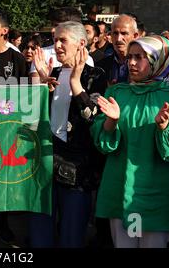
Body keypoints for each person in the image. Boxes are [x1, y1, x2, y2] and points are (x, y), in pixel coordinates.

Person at [91, 35, 169, 248]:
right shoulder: (117, 92)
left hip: (157, 195)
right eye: (130, 57)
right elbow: (102, 143)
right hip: (120, 192)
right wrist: (111, 121)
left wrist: (164, 126)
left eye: (140, 57)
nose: (132, 63)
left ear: (159, 60)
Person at [29, 21, 107, 247]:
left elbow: (92, 117)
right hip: (44, 163)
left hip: (77, 170)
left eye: (63, 40)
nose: (57, 45)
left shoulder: (96, 75)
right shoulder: (51, 73)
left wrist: (75, 82)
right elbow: (34, 117)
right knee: (39, 235)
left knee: (71, 237)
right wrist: (40, 87)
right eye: (55, 40)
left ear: (82, 43)